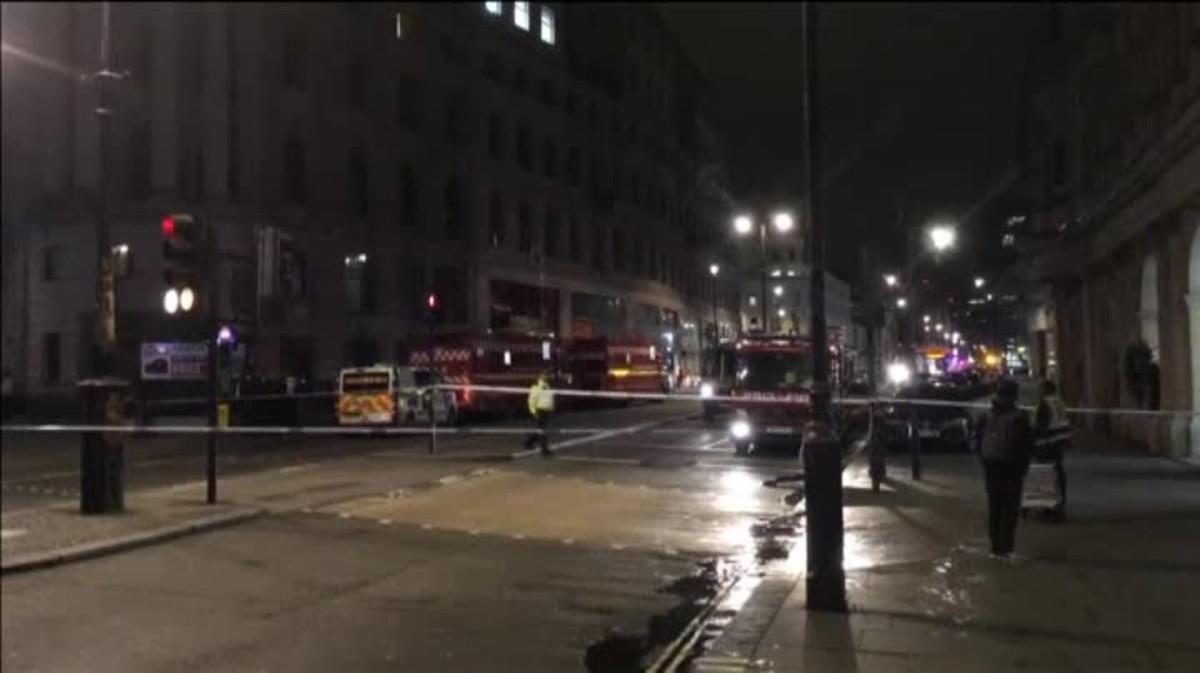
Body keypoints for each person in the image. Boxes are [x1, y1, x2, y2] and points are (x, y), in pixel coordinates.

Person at [973, 378, 1034, 558]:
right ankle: (1006, 547)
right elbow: (1026, 445)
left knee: (995, 505)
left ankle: (995, 546)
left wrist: (983, 461)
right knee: (1010, 507)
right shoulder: (1019, 418)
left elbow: (976, 441)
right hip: (1011, 467)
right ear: (1014, 396)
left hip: (991, 466)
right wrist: (1023, 467)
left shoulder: (985, 416)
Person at [1034, 379, 1071, 520]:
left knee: (1047, 476)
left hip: (1047, 445)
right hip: (1059, 444)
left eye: (1040, 389)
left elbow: (1039, 426)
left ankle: (1049, 509)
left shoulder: (1045, 404)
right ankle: (1059, 506)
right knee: (1058, 476)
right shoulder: (1059, 402)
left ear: (1045, 390)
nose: (1038, 392)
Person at [524, 372, 556, 457]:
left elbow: (550, 399)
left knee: (540, 429)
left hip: (547, 411)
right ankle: (544, 450)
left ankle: (529, 443)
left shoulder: (548, 386)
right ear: (540, 377)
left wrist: (552, 408)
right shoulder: (536, 388)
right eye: (544, 376)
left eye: (546, 376)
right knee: (542, 431)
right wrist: (534, 412)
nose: (546, 377)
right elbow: (531, 401)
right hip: (540, 410)